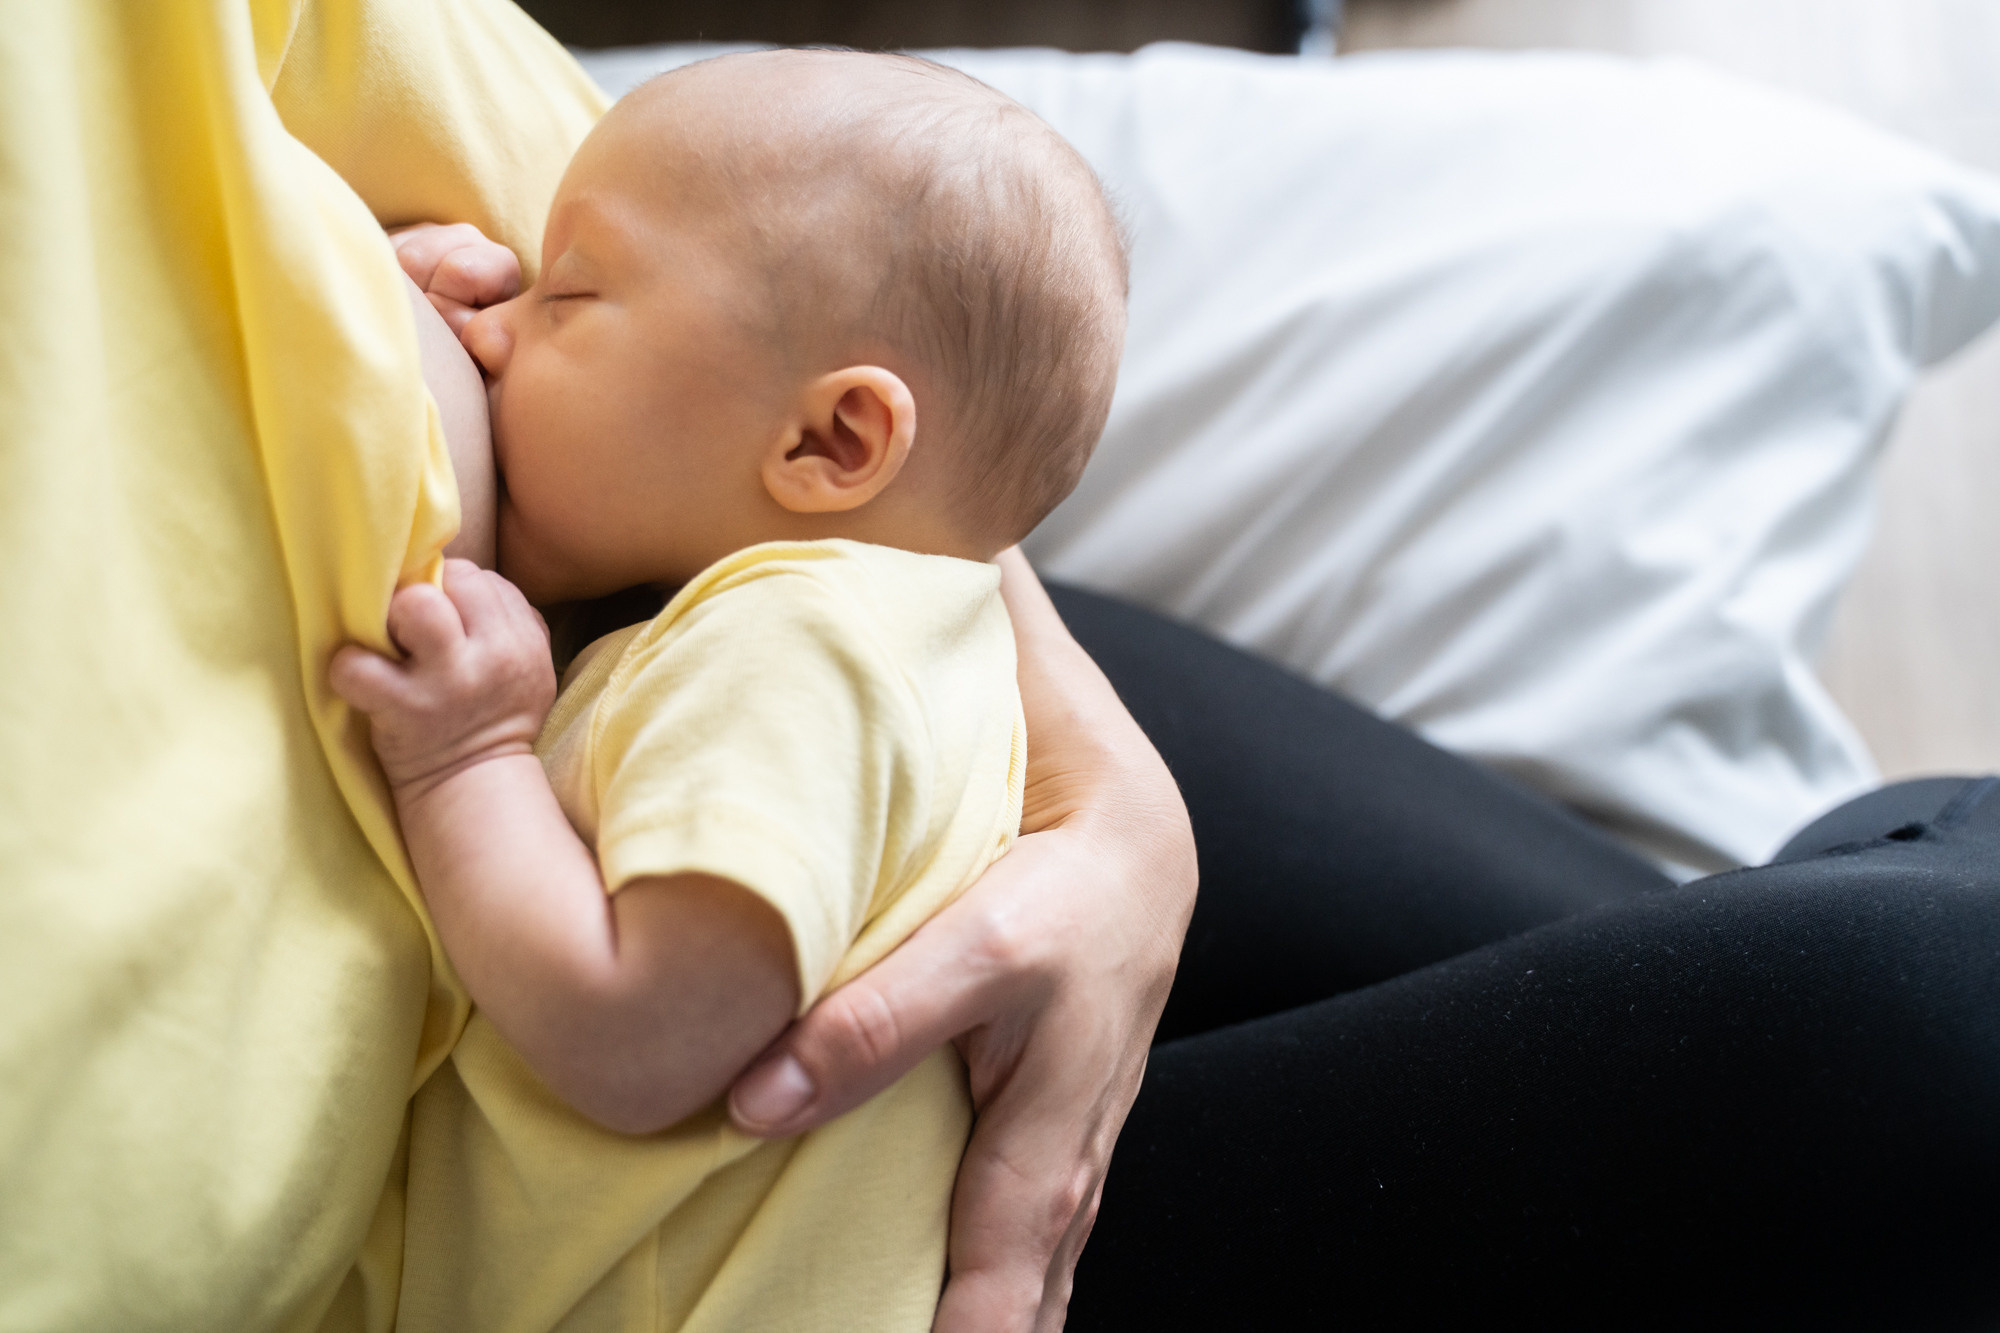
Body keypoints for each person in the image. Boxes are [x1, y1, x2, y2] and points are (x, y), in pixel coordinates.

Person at [331, 49, 1128, 1330]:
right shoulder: (913, 641)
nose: (490, 325)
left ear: (830, 441)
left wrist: (465, 760)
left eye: (569, 293)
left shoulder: (800, 648)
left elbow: (636, 1037)